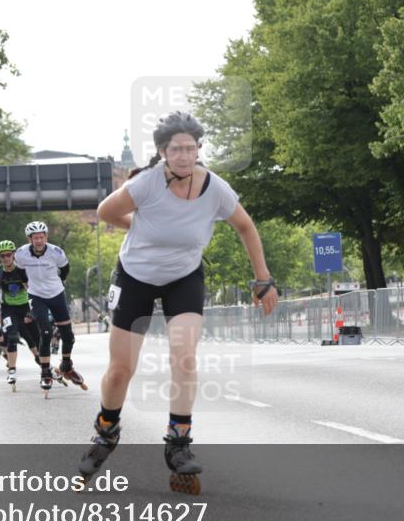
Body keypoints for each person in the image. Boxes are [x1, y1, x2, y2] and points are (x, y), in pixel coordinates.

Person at [77, 111, 279, 494]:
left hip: (183, 277)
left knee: (184, 356)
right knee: (121, 369)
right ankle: (106, 431)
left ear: (199, 150)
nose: (184, 156)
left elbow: (245, 227)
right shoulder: (147, 184)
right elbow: (106, 212)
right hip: (134, 275)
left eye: (191, 148)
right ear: (162, 152)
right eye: (176, 150)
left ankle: (179, 442)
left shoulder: (215, 188)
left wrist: (263, 280)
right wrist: (140, 226)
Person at [15, 220, 85, 394]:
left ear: (46, 237)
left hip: (56, 294)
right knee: (45, 332)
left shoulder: (56, 252)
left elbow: (65, 268)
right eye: (35, 238)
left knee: (68, 335)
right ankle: (45, 372)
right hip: (36, 296)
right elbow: (20, 271)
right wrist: (27, 285)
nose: (39, 241)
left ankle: (66, 365)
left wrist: (60, 281)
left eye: (41, 237)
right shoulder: (21, 254)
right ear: (29, 239)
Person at [0, 239, 43, 391]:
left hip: (26, 307)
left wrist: (34, 310)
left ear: (13, 255)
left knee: (35, 338)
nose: (6, 258)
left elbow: (33, 290)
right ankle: (12, 370)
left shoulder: (22, 270)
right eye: (2, 256)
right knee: (11, 336)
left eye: (8, 255)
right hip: (8, 309)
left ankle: (44, 365)